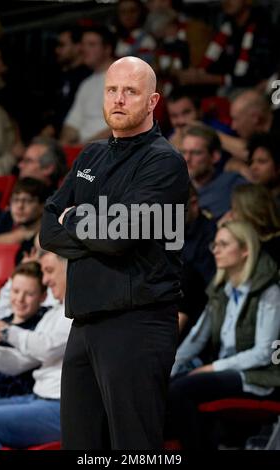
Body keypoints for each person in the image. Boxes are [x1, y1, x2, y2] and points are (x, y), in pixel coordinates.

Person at [40, 56, 189, 450]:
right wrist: (91, 223)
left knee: (134, 449)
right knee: (81, 449)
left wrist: (74, 220)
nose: (119, 99)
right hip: (84, 322)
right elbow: (46, 229)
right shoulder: (89, 155)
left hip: (137, 323)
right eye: (112, 90)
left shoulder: (165, 161)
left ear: (152, 101)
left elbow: (119, 236)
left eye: (131, 91)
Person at [167, 221, 280, 450]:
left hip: (259, 377)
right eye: (214, 244)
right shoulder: (220, 290)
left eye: (223, 244)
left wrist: (213, 367)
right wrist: (167, 365)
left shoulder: (269, 291)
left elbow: (263, 353)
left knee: (181, 389)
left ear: (245, 249)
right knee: (166, 384)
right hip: (227, 369)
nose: (215, 250)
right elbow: (196, 339)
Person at [0, 251, 71, 450]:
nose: (45, 279)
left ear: (69, 270)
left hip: (62, 408)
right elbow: (20, 362)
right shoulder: (54, 313)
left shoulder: (78, 312)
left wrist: (5, 332)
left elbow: (47, 347)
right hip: (38, 398)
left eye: (49, 271)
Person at [0, 261, 48, 400]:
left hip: (7, 397)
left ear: (43, 297)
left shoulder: (42, 327)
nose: (20, 299)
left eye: (29, 294)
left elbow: (14, 362)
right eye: (16, 291)